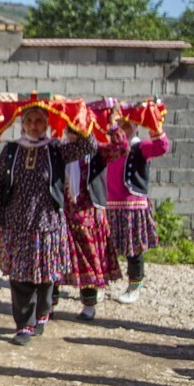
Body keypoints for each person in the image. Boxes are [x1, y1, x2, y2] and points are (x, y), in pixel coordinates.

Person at [0, 104, 96, 345]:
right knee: (19, 276)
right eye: (29, 121)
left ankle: (42, 312)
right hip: (17, 223)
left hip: (47, 223)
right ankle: (24, 325)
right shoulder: (11, 150)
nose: (34, 126)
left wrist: (76, 118)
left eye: (39, 121)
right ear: (23, 124)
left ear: (47, 124)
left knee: (46, 275)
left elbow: (90, 146)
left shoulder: (56, 150)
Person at [61, 115, 128, 320]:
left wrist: (113, 126)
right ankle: (49, 305)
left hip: (87, 214)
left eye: (77, 131)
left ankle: (88, 306)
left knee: (88, 260)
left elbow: (121, 148)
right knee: (57, 259)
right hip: (63, 213)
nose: (73, 135)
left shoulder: (96, 150)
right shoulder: (59, 151)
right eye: (70, 130)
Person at [106, 108, 170, 304]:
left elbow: (162, 146)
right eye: (120, 125)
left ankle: (134, 286)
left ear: (135, 126)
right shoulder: (110, 147)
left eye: (127, 125)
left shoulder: (141, 147)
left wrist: (154, 125)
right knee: (105, 249)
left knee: (133, 250)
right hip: (110, 205)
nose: (123, 129)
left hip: (132, 207)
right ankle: (100, 285)